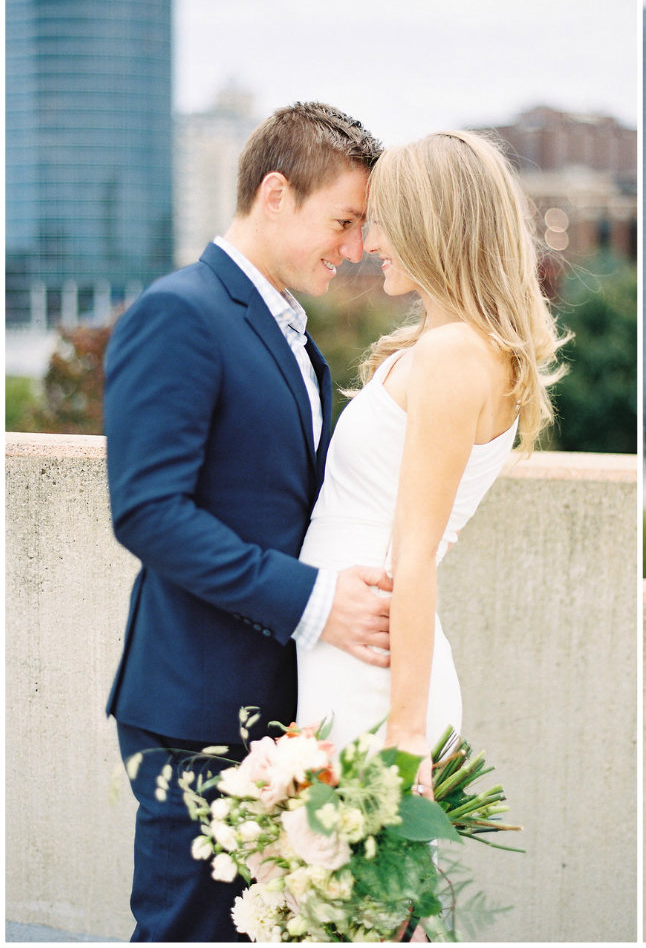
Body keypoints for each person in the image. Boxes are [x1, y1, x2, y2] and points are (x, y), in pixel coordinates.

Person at [104, 102, 395, 942]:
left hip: (281, 708)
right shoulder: (180, 313)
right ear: (276, 193)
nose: (351, 250)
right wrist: (314, 602)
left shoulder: (301, 342)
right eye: (342, 222)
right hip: (195, 705)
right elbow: (149, 512)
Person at [293, 130, 566, 799]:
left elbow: (412, 555)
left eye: (382, 221)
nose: (370, 242)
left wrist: (406, 736)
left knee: (360, 895)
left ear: (430, 225)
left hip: (373, 668)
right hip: (348, 644)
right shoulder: (460, 347)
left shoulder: (452, 356)